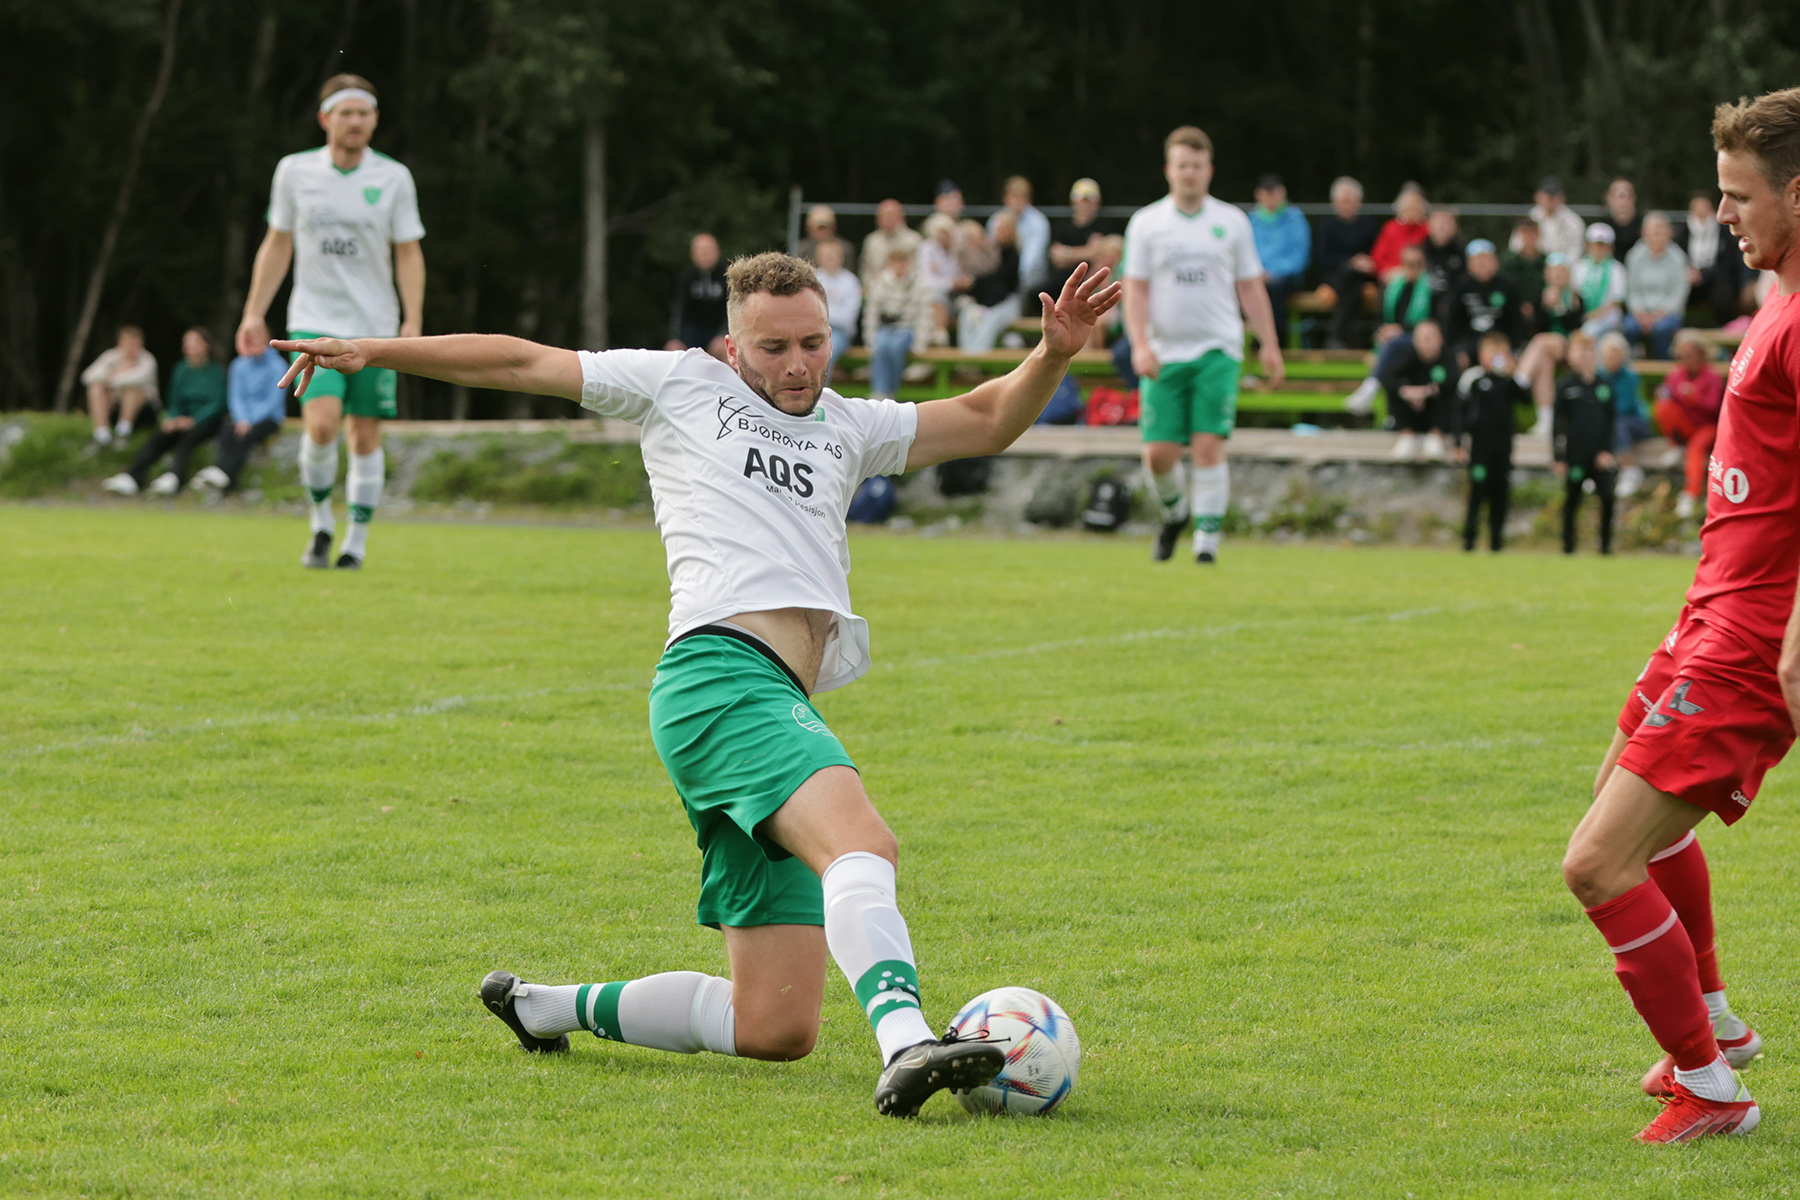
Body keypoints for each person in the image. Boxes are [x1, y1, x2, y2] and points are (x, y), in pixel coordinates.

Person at [273, 252, 1123, 1119]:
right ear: (730, 348)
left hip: (746, 700)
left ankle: (542, 1007)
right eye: (774, 347)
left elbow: (983, 417)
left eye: (814, 343)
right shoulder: (677, 386)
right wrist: (377, 351)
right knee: (862, 841)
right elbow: (522, 360)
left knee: (775, 1025)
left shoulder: (846, 424)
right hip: (722, 677)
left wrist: (1052, 354)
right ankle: (908, 1042)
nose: (796, 365)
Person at [1558, 88, 1800, 1145]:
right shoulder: (1774, 299)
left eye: (1740, 197)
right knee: (1620, 795)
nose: (1725, 216)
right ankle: (1711, 1025)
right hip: (1710, 613)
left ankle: (1713, 1091)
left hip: (1754, 640)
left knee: (1596, 863)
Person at [237, 73, 425, 570]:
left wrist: (413, 319)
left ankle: (355, 542)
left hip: (375, 327)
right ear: (326, 119)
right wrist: (254, 311)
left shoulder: (394, 178)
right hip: (312, 322)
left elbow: (408, 252)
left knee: (364, 436)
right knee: (320, 426)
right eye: (346, 112)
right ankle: (321, 521)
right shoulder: (294, 171)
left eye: (365, 112)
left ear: (375, 120)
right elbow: (277, 244)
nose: (356, 121)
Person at [1123, 125, 1284, 564]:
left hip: (1219, 349)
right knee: (1158, 455)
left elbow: (1250, 288)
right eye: (1181, 165)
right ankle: (1176, 514)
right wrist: (1139, 344)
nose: (1189, 173)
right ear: (1168, 170)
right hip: (1164, 351)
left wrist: (1269, 344)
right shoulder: (1147, 224)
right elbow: (1135, 290)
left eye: (1196, 165)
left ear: (1209, 170)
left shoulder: (1230, 221)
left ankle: (1206, 543)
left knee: (1208, 444)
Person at [102, 328, 225, 496]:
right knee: (160, 436)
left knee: (187, 439)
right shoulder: (181, 370)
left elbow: (218, 403)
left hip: (206, 421)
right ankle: (133, 477)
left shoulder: (216, 372)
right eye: (186, 343)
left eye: (194, 342)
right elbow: (173, 401)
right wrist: (172, 419)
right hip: (181, 419)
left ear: (206, 346)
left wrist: (193, 420)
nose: (189, 347)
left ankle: (175, 476)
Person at [1448, 330, 1533, 552]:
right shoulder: (1473, 379)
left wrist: (1513, 374)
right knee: (1477, 493)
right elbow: (1459, 413)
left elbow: (1526, 400)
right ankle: (1469, 540)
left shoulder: (1508, 381)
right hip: (1479, 449)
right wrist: (1458, 443)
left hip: (1503, 449)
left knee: (1500, 495)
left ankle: (1497, 542)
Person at [194, 337, 290, 491]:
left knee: (247, 436)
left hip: (268, 419)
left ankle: (222, 475)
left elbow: (273, 400)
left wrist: (250, 421)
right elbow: (235, 396)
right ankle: (221, 474)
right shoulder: (238, 365)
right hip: (242, 419)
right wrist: (241, 419)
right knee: (227, 432)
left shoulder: (278, 365)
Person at [1552, 332, 1618, 555]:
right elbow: (1557, 425)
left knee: (1608, 497)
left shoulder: (1604, 385)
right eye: (1580, 351)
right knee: (1572, 501)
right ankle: (1568, 547)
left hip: (1599, 456)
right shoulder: (1565, 386)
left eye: (1589, 351)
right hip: (1574, 456)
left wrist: (1607, 451)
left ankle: (1605, 546)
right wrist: (1558, 457)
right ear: (1571, 356)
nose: (1585, 356)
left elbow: (1611, 421)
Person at [1653, 329, 1726, 519]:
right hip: (1685, 427)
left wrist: (1694, 397)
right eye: (1684, 354)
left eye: (1691, 353)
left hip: (1708, 426)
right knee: (1663, 407)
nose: (1687, 358)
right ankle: (1676, 445)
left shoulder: (1712, 376)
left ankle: (1691, 493)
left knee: (1696, 449)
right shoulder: (1675, 375)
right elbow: (1667, 398)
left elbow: (1714, 407)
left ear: (1701, 354)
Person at [1313, 176, 1382, 348]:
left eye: (1351, 200)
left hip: (1361, 278)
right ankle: (1341, 338)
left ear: (1359, 202)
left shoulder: (1368, 225)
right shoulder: (1327, 226)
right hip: (1336, 277)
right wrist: (1350, 263)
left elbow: (1376, 254)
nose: (1347, 204)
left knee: (1355, 283)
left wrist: (1365, 263)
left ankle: (1335, 337)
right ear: (1334, 202)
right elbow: (1322, 259)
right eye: (1343, 201)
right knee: (1353, 283)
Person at [862, 246, 934, 398]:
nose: (899, 266)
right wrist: (869, 338)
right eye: (896, 262)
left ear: (909, 263)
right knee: (881, 345)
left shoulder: (920, 283)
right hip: (886, 328)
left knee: (895, 347)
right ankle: (880, 391)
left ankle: (890, 390)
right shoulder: (880, 282)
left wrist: (920, 343)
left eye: (903, 262)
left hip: (908, 328)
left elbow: (925, 315)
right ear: (890, 263)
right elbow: (872, 312)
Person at [1248, 174, 1310, 345]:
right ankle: (1246, 340)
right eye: (1267, 193)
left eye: (1275, 193)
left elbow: (1300, 256)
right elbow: (1245, 253)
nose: (1271, 198)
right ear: (1258, 195)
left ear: (1283, 194)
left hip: (1286, 277)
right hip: (1257, 276)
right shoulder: (1251, 220)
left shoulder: (1295, 218)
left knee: (1273, 288)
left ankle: (1273, 342)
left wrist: (1273, 272)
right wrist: (1258, 272)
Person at [1623, 213, 1692, 360]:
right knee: (1628, 327)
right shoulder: (1634, 256)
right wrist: (1640, 312)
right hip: (1640, 313)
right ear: (1644, 233)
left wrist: (1657, 315)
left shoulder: (1678, 258)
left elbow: (1679, 294)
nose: (1657, 235)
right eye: (1653, 231)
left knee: (1662, 329)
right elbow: (1631, 290)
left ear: (1669, 233)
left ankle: (1664, 367)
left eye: (1661, 230)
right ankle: (1631, 366)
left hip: (1667, 313)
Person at [1380, 318, 1450, 460]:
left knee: (1449, 395)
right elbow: (1386, 377)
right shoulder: (1405, 357)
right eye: (1423, 338)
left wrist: (1427, 391)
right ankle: (1406, 435)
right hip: (1413, 411)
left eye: (1431, 337)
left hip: (1436, 414)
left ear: (1441, 339)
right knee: (1394, 392)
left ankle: (1436, 435)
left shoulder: (1450, 357)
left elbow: (1453, 382)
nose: (1427, 342)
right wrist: (1406, 391)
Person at [81, 325, 158, 446]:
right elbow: (88, 376)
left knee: (132, 389)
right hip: (114, 408)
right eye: (127, 341)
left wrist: (112, 378)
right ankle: (102, 434)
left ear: (141, 343)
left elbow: (138, 379)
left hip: (144, 412)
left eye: (134, 342)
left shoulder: (147, 360)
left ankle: (123, 432)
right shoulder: (111, 356)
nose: (130, 346)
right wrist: (112, 375)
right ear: (120, 342)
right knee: (96, 388)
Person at [955, 215, 1020, 352]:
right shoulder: (987, 252)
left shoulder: (1011, 255)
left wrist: (974, 282)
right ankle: (966, 359)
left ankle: (976, 358)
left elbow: (1001, 281)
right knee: (968, 316)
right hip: (982, 301)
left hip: (1003, 302)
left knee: (989, 320)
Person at [1599, 331, 1651, 498]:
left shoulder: (1630, 376)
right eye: (1608, 355)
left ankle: (1630, 469)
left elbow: (1625, 406)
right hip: (1611, 421)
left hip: (1635, 422)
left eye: (1615, 355)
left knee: (1617, 423)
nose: (1611, 359)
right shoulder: (1600, 376)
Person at [1683, 192, 1745, 328]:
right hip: (1689, 276)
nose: (1700, 211)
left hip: (1717, 276)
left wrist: (1705, 275)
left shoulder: (1724, 231)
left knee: (1722, 294)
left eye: (1703, 206)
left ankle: (1725, 330)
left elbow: (1728, 262)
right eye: (1696, 207)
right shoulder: (1684, 231)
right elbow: (1679, 257)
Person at [988, 176, 1051, 304]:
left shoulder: (1039, 222)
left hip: (1030, 274)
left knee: (1019, 285)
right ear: (1005, 199)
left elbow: (1031, 259)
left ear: (1028, 200)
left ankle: (1012, 309)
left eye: (1021, 197)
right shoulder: (995, 221)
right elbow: (991, 251)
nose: (1017, 202)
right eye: (1013, 197)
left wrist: (1010, 278)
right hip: (1003, 271)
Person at [667, 233, 729, 359]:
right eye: (701, 250)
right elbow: (679, 310)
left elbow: (731, 310)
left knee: (726, 350)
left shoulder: (726, 277)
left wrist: (724, 334)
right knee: (674, 352)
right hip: (691, 332)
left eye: (709, 250)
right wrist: (674, 338)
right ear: (693, 253)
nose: (704, 254)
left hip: (717, 330)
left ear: (717, 252)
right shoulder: (686, 277)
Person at [813, 238, 861, 386]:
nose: (831, 258)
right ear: (819, 257)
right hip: (813, 329)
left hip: (840, 333)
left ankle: (819, 393)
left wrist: (823, 314)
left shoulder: (850, 281)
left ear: (841, 257)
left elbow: (848, 318)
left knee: (824, 352)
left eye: (834, 254)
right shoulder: (813, 278)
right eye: (827, 255)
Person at [914, 214, 960, 344]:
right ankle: (940, 335)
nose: (944, 236)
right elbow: (926, 280)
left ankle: (938, 337)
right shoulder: (926, 249)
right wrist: (952, 283)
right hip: (932, 295)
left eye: (946, 232)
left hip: (956, 296)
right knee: (935, 295)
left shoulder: (957, 250)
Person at [1575, 224, 1627, 338]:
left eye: (1603, 246)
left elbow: (1616, 300)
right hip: (1584, 315)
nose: (1598, 249)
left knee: (1589, 333)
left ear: (1610, 248)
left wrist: (1595, 315)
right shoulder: (1580, 267)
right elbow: (1576, 293)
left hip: (1609, 318)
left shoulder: (1617, 269)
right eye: (1595, 245)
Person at [860, 199, 920, 281]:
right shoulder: (871, 241)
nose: (889, 218)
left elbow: (919, 271)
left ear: (901, 217)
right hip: (878, 289)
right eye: (885, 215)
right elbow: (865, 270)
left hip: (907, 288)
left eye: (892, 214)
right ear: (878, 219)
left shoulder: (914, 240)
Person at [1532, 176, 1587, 262]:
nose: (1550, 200)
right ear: (1537, 197)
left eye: (1553, 196)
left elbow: (1575, 253)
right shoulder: (1530, 218)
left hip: (1564, 270)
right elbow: (1517, 246)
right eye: (1547, 196)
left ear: (1562, 198)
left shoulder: (1574, 222)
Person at [1531, 254, 1587, 339]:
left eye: (1562, 271)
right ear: (1547, 274)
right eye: (1555, 271)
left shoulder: (1576, 297)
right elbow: (1537, 327)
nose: (1558, 275)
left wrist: (1573, 308)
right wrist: (1545, 306)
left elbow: (1576, 327)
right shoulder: (1539, 296)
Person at [1500, 219, 1546, 322]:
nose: (1529, 236)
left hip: (1542, 312)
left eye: (1533, 232)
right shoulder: (1508, 262)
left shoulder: (1547, 261)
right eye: (1525, 232)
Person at [1420, 207, 1467, 301]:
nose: (1442, 227)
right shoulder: (1420, 250)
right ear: (1429, 225)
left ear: (1454, 227)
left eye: (1447, 223)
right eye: (1438, 223)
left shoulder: (1462, 251)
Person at [1602, 178, 1643, 260]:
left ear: (1633, 198)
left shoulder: (1644, 225)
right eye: (1620, 196)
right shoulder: (1602, 226)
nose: (1623, 201)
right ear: (1609, 198)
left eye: (1627, 196)